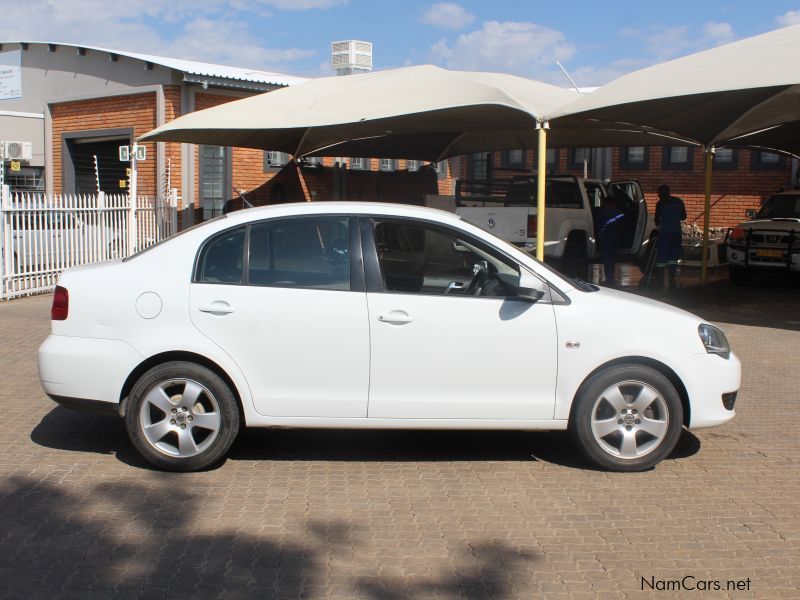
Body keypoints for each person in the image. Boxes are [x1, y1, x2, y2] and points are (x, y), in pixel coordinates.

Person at [654, 184, 687, 290]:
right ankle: (671, 280)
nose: (658, 195)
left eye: (659, 193)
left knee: (662, 257)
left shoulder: (660, 203)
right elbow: (684, 216)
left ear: (661, 194)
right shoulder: (679, 201)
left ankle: (660, 281)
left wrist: (660, 223)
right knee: (673, 257)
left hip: (665, 233)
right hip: (677, 232)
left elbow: (656, 220)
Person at [596, 194, 625, 286]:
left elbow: (598, 224)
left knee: (607, 258)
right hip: (616, 236)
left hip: (606, 237)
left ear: (606, 202)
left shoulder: (602, 212)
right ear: (614, 202)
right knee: (612, 258)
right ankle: (611, 278)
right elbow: (623, 225)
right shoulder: (619, 212)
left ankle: (609, 279)